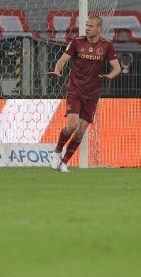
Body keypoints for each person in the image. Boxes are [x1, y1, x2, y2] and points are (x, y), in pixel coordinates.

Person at [47, 16, 120, 173]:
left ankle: (64, 162)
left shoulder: (107, 45)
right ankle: (56, 152)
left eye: (91, 26)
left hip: (92, 93)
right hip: (75, 89)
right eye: (86, 25)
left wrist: (110, 75)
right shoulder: (77, 42)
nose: (87, 28)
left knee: (80, 131)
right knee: (72, 125)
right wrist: (57, 71)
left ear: (99, 29)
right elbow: (63, 59)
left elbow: (117, 67)